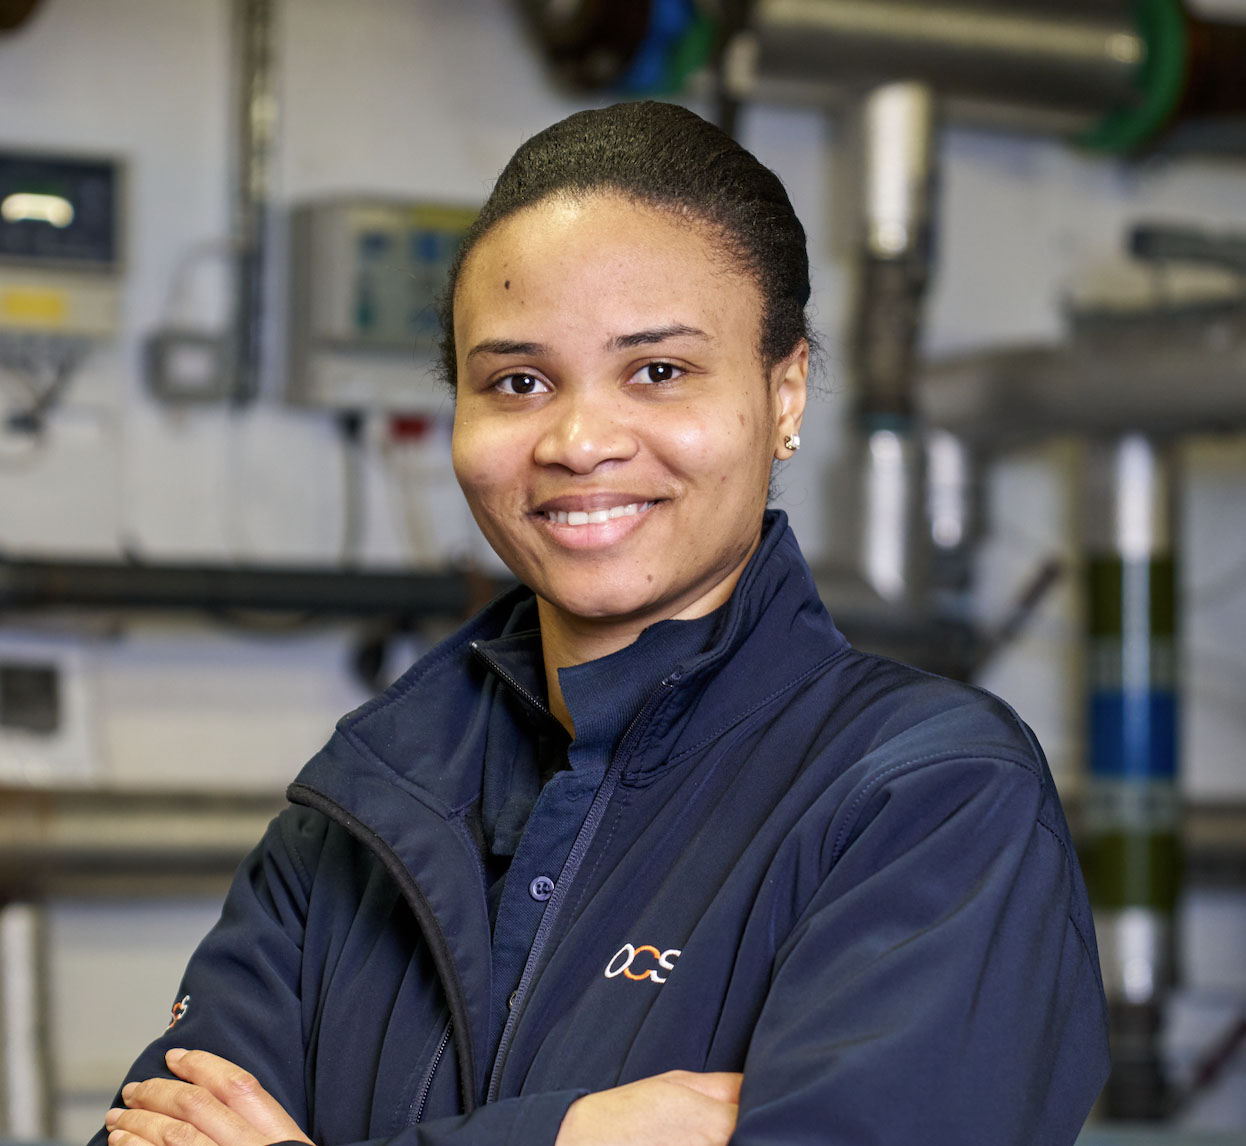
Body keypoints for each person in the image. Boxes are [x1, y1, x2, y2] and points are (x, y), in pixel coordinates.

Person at [96, 101, 1109, 1146]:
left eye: (657, 372)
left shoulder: (927, 799)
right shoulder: (360, 808)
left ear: (786, 391)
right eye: (518, 382)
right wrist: (576, 1136)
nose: (578, 441)